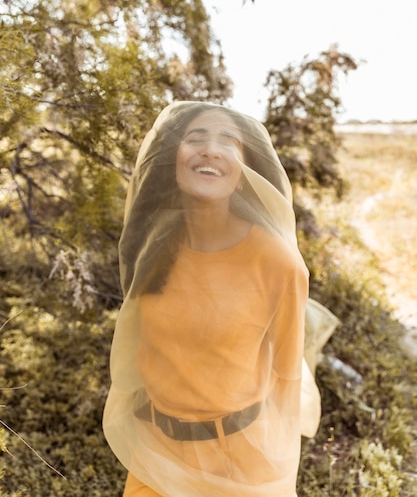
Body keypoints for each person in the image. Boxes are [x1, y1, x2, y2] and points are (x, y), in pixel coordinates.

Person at [103, 101, 337, 497]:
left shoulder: (279, 263)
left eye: (228, 142)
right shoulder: (154, 249)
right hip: (157, 458)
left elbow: (285, 380)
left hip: (238, 462)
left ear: (244, 174)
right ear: (173, 161)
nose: (210, 149)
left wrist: (274, 475)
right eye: (195, 138)